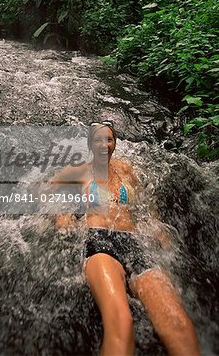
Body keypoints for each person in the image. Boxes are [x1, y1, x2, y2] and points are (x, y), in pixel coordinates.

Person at [48, 120, 201, 356]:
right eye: (98, 139)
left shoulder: (126, 169)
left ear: (115, 143)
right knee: (121, 323)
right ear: (90, 144)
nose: (103, 144)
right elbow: (47, 187)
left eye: (108, 139)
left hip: (133, 243)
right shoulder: (80, 170)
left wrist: (158, 228)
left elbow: (147, 207)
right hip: (99, 242)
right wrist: (62, 214)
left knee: (178, 323)